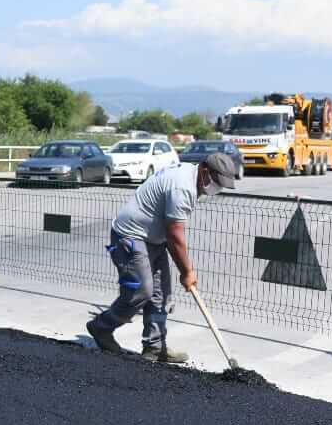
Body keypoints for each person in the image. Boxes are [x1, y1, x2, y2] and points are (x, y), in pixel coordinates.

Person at [87, 152, 237, 362]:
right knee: (142, 291)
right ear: (205, 169)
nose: (216, 188)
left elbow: (170, 232)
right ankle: (101, 327)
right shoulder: (182, 188)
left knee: (161, 295)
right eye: (216, 181)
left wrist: (184, 267)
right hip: (132, 235)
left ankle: (155, 348)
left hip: (154, 238)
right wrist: (187, 272)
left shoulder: (191, 176)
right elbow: (175, 235)